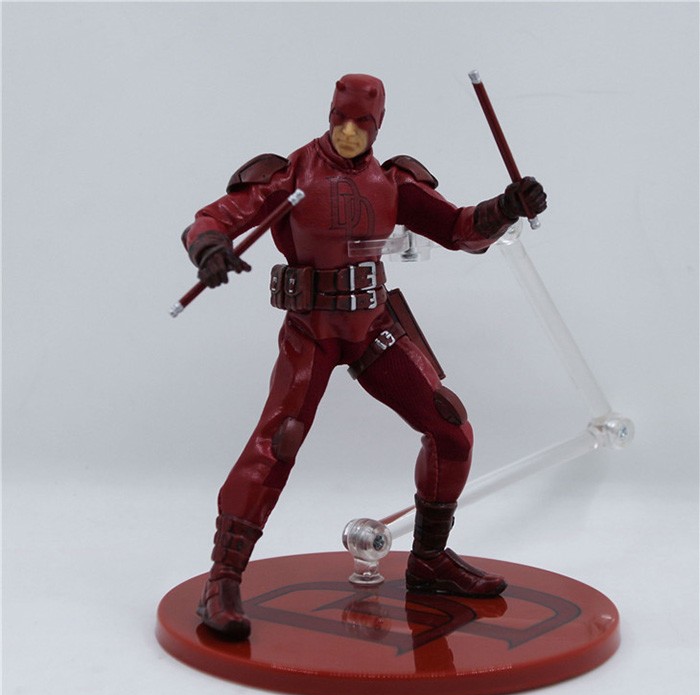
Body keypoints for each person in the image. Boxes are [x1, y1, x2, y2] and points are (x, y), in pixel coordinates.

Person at [181, 74, 547, 640]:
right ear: (329, 115)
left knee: (450, 429)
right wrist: (209, 247)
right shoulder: (290, 173)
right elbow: (215, 217)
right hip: (312, 330)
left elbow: (458, 230)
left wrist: (504, 207)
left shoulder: (393, 181)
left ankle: (429, 560)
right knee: (278, 441)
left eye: (363, 124)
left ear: (379, 126)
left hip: (373, 326)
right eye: (341, 121)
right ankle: (223, 578)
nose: (349, 133)